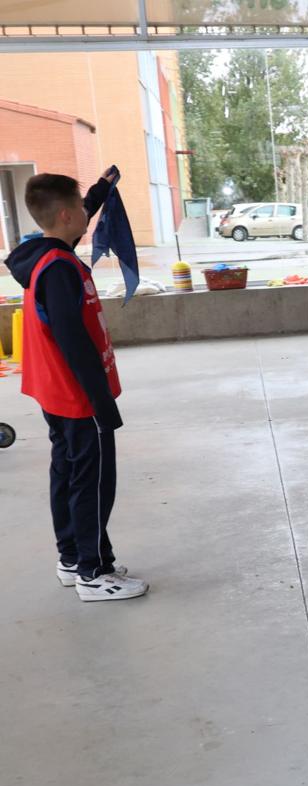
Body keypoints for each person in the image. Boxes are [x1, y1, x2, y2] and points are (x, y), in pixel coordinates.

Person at [4, 169, 148, 602]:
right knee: (93, 481)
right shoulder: (61, 269)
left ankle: (71, 558)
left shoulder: (40, 255)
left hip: (57, 393)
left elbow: (78, 208)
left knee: (67, 472)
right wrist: (101, 401)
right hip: (78, 396)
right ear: (67, 216)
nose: (88, 214)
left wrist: (104, 188)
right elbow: (73, 339)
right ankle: (93, 571)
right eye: (82, 207)